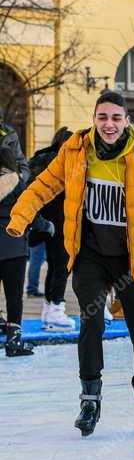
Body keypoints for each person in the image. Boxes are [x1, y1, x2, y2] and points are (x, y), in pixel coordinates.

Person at [6, 91, 134, 436]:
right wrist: (20, 216)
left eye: (116, 118)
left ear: (127, 121)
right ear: (94, 119)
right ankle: (89, 399)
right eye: (103, 117)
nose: (109, 124)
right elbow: (43, 186)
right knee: (91, 323)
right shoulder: (75, 151)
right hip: (91, 255)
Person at [28, 126, 76, 331]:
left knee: (55, 267)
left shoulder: (40, 161)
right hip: (61, 220)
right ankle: (56, 309)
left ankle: (49, 310)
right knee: (63, 266)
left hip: (44, 223)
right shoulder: (62, 163)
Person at [0, 119, 37, 356]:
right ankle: (14, 341)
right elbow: (31, 210)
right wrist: (47, 227)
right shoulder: (18, 184)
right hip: (13, 246)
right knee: (14, 296)